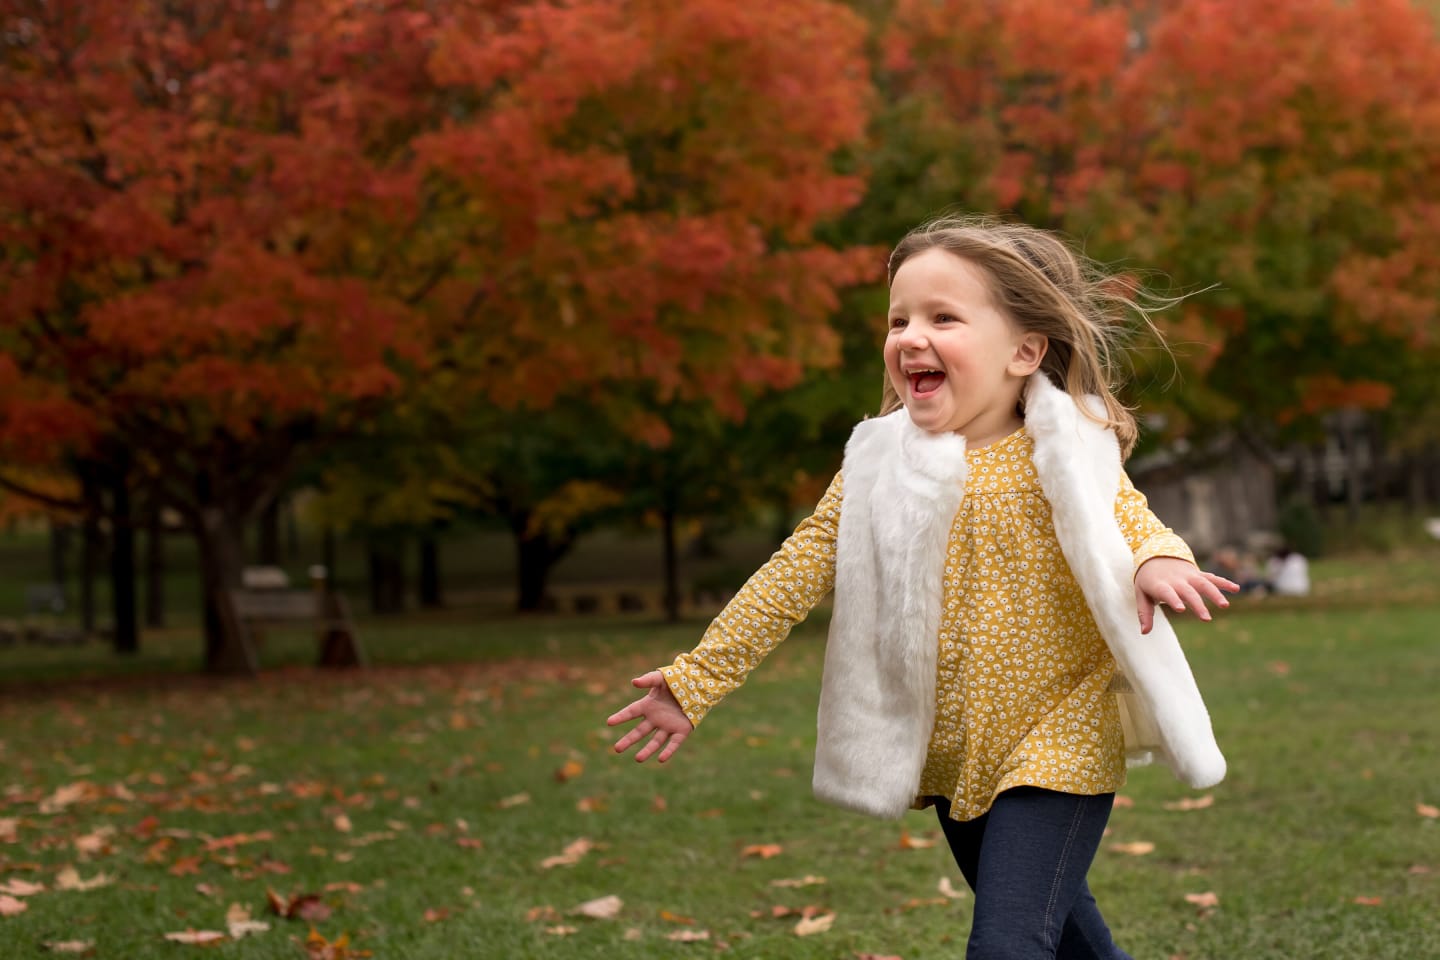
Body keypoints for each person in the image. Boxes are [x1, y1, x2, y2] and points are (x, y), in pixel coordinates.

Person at [607, 216, 1238, 960]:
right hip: (952, 750)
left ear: (1024, 351)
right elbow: (794, 569)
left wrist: (1159, 560)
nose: (911, 335)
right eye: (899, 318)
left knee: (1007, 946)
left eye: (943, 317)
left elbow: (1127, 519)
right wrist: (696, 681)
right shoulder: (880, 466)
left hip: (1062, 732)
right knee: (1068, 941)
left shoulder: (1065, 446)